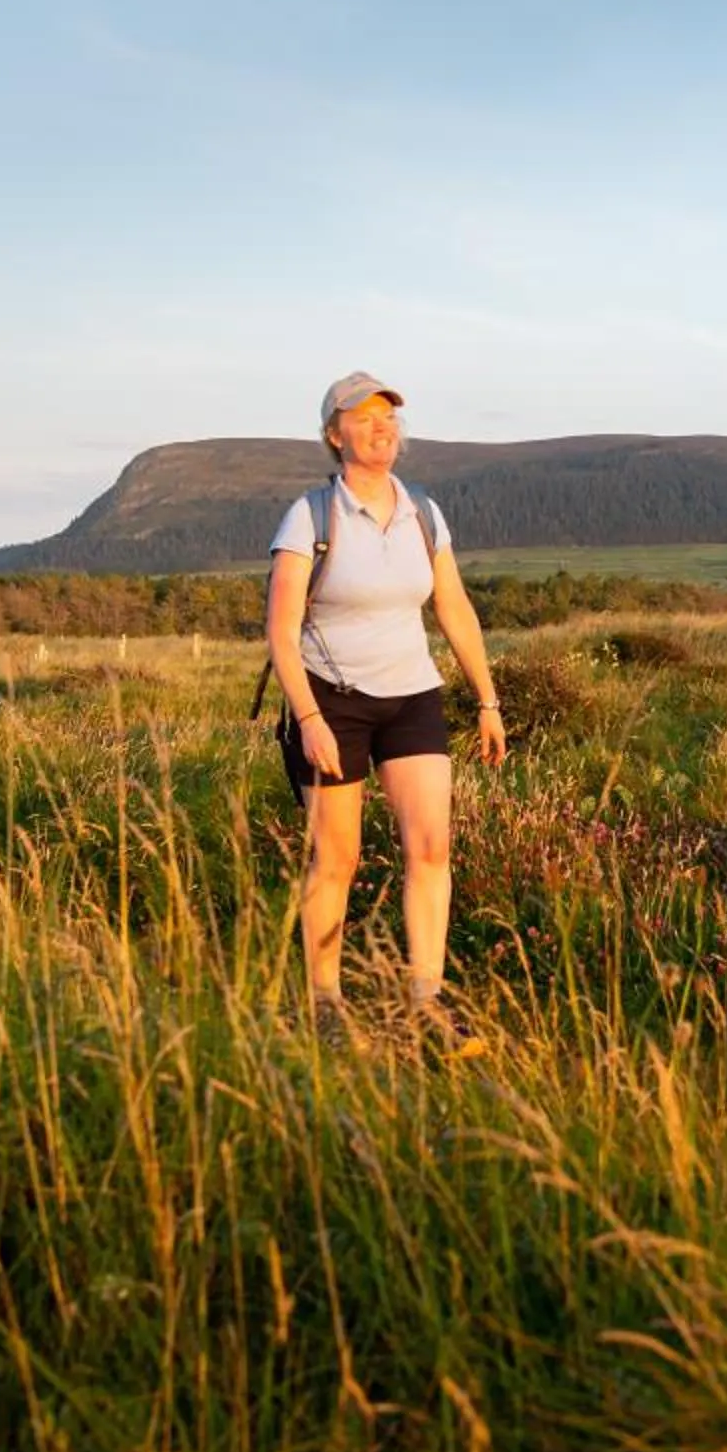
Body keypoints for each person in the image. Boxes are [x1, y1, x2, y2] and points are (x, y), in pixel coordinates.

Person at [264, 372, 507, 1055]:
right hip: (331, 702)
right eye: (364, 417)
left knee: (431, 849)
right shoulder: (310, 516)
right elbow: (281, 631)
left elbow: (452, 607)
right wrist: (308, 719)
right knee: (337, 858)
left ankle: (426, 1002)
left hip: (412, 696)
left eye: (389, 417)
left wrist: (486, 699)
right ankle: (325, 1004)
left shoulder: (422, 510)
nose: (382, 428)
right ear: (334, 434)